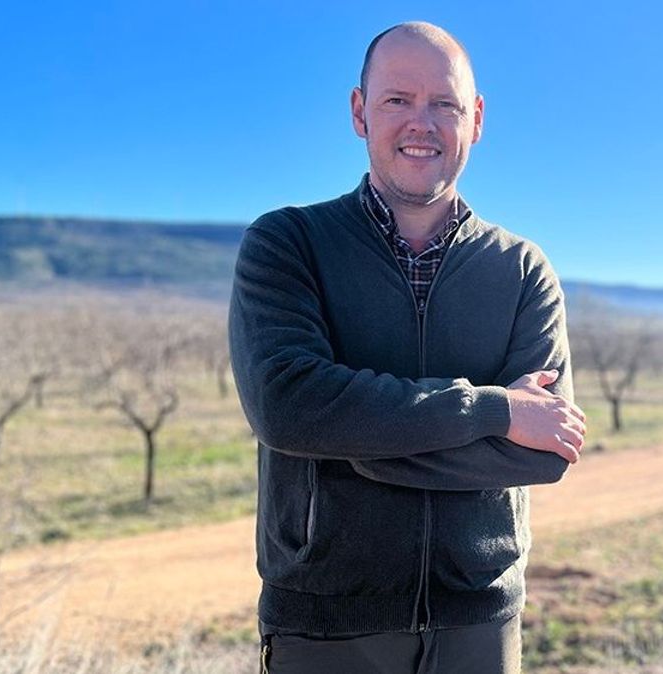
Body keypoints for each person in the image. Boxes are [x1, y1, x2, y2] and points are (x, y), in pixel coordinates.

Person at [228, 21, 587, 673]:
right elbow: (288, 409)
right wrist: (497, 411)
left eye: (444, 104)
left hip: (479, 625)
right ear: (360, 111)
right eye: (398, 99)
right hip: (325, 628)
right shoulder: (288, 244)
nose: (422, 122)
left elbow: (548, 454)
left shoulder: (523, 269)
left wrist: (358, 446)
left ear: (475, 119)